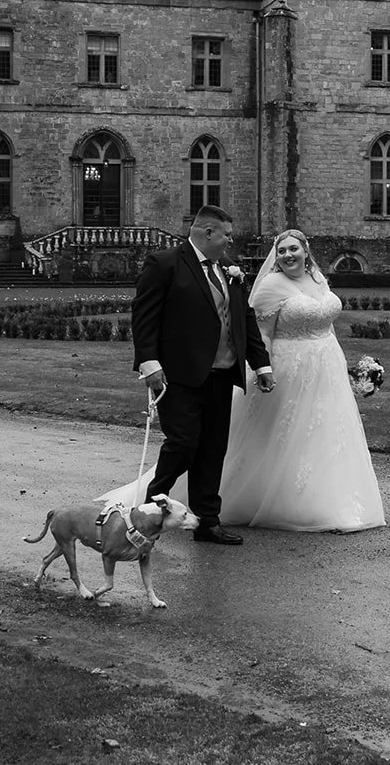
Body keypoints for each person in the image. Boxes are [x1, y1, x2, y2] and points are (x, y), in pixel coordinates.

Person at [219, 229, 385, 533]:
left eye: (293, 249)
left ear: (306, 250)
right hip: (289, 367)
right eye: (281, 251)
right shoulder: (271, 285)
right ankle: (271, 498)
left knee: (325, 432)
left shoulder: (318, 279)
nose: (287, 255)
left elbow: (327, 325)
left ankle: (330, 503)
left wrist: (346, 370)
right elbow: (263, 334)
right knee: (284, 431)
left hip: (327, 365)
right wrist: (262, 369)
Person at [128, 205, 274, 545]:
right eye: (226, 234)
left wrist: (261, 363)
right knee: (183, 444)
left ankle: (207, 521)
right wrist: (149, 363)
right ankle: (151, 508)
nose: (230, 240)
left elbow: (244, 319)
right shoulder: (164, 264)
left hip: (222, 376)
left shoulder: (229, 271)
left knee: (212, 449)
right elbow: (144, 316)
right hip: (177, 376)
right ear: (207, 233)